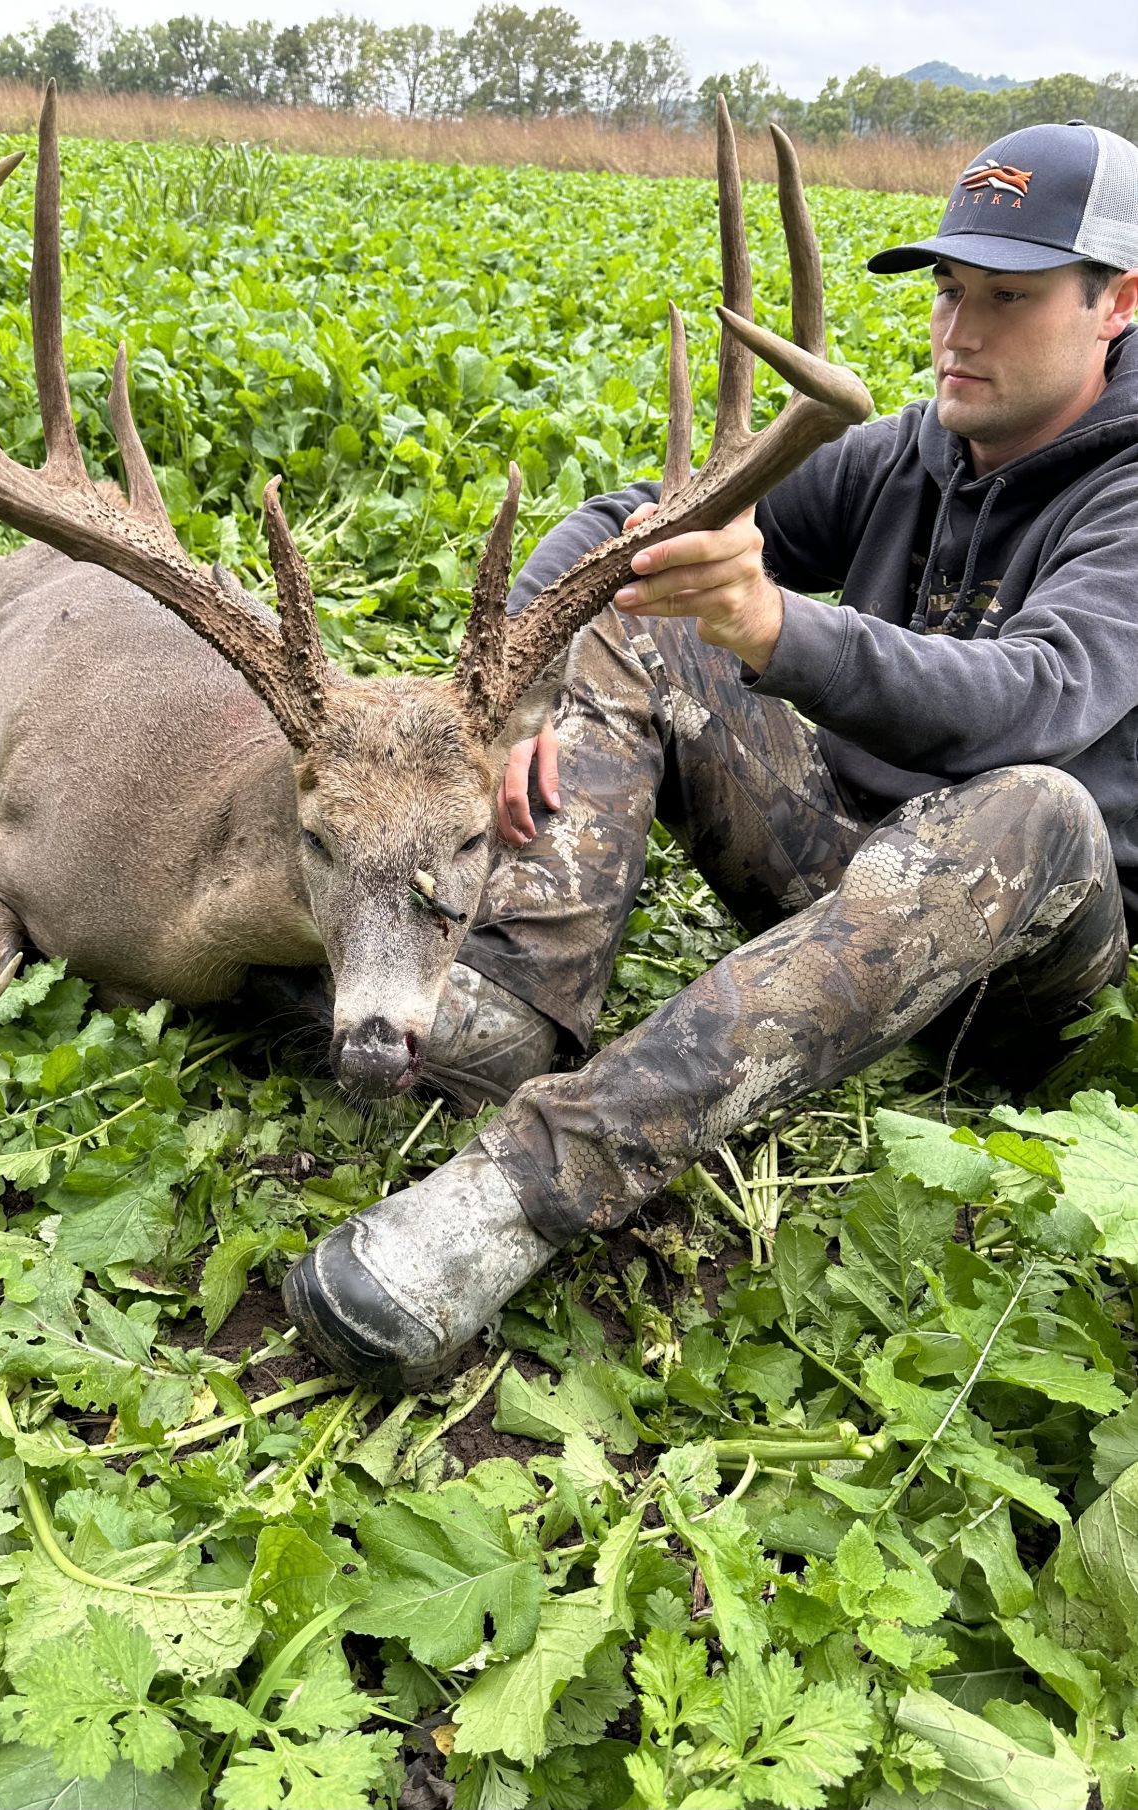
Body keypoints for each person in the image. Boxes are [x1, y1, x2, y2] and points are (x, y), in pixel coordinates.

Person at [283, 119, 1138, 1390]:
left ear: (1115, 301)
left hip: (1033, 982)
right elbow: (626, 526)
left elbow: (1035, 695)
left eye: (1006, 298)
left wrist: (778, 625)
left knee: (1032, 807)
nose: (957, 330)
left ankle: (522, 1188)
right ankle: (516, 998)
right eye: (949, 290)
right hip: (852, 889)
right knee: (641, 632)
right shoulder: (910, 451)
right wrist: (508, 689)